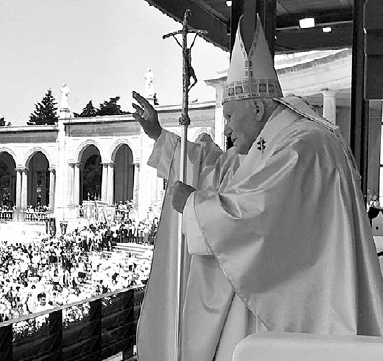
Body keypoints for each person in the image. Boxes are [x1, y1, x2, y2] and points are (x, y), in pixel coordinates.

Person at [133, 13, 383, 361]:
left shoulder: (305, 145)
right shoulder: (279, 141)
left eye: (231, 116)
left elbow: (258, 213)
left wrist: (193, 205)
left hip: (312, 319)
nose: (228, 130)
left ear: (257, 107)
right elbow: (224, 169)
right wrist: (161, 138)